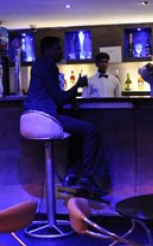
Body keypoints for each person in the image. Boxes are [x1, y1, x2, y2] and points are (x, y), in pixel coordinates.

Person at [23, 36, 108, 197]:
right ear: (48, 50)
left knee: (77, 131)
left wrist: (70, 95)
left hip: (31, 117)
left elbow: (53, 96)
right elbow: (60, 99)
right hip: (45, 118)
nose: (61, 52)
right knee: (91, 131)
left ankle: (71, 175)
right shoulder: (49, 66)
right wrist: (77, 86)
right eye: (58, 48)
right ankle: (86, 178)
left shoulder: (38, 65)